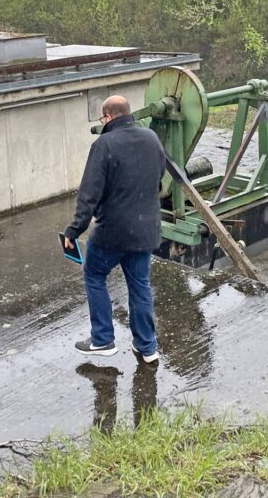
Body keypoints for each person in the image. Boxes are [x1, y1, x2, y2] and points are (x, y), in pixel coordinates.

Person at [63, 95, 166, 364]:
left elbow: (89, 195)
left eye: (102, 118)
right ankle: (147, 347)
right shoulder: (151, 138)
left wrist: (73, 231)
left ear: (108, 117)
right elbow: (159, 177)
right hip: (146, 231)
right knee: (140, 286)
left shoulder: (104, 144)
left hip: (113, 232)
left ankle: (102, 340)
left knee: (95, 275)